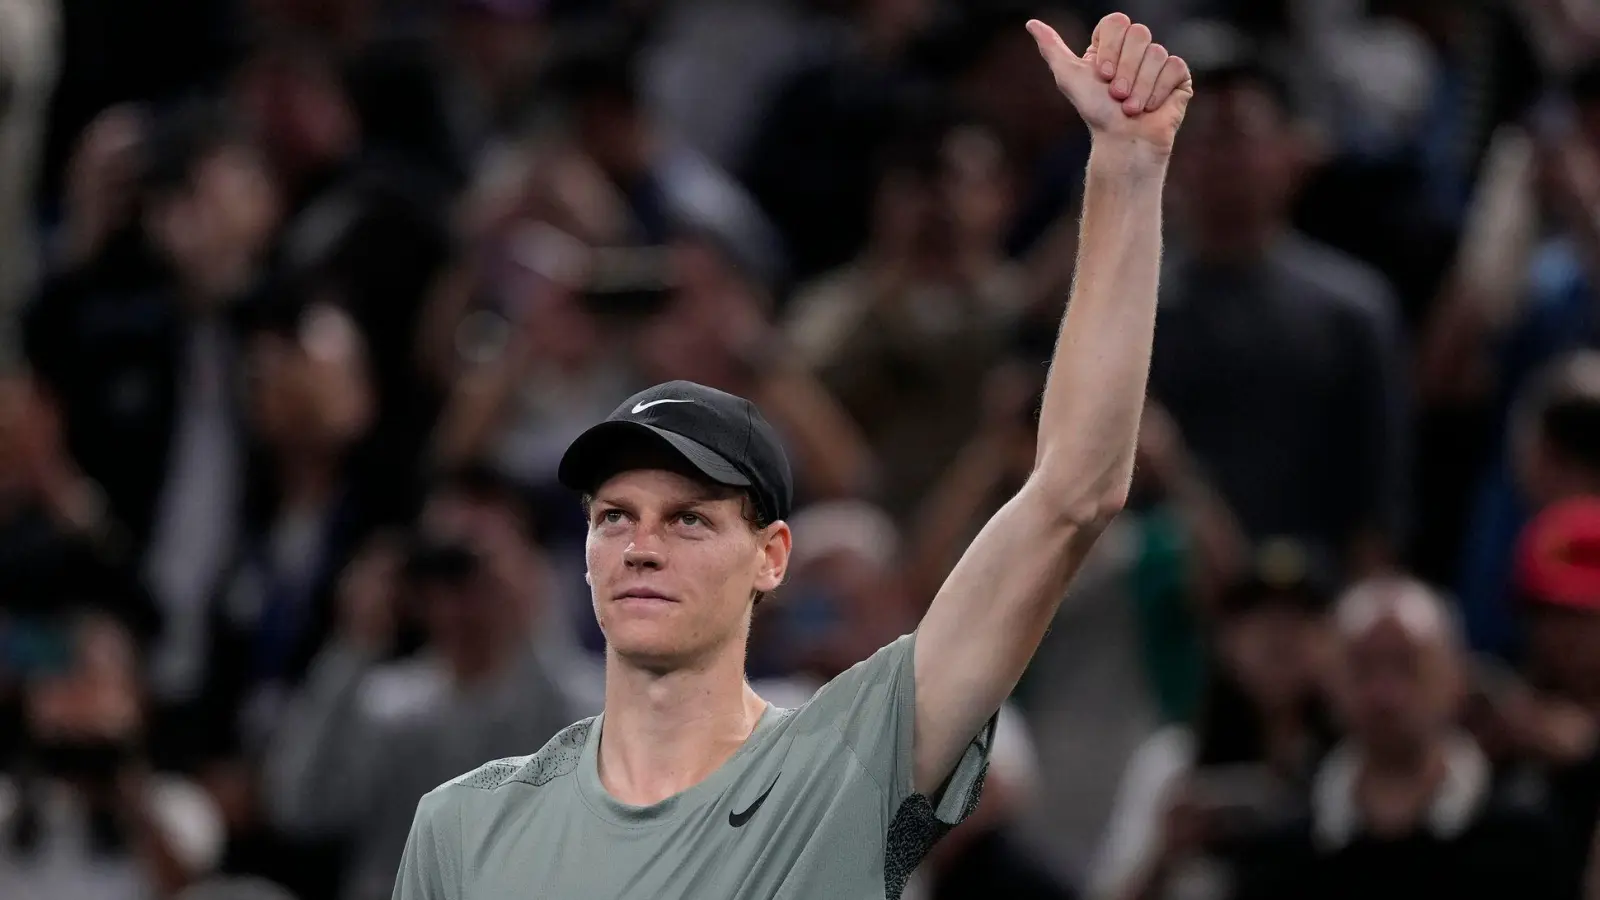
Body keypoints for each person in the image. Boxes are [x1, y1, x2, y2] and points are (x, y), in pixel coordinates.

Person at [391, 11, 1193, 899]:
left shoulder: (849, 762)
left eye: (691, 517)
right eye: (615, 514)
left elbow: (1073, 496)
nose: (642, 545)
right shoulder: (465, 823)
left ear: (772, 559)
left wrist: (1125, 172)